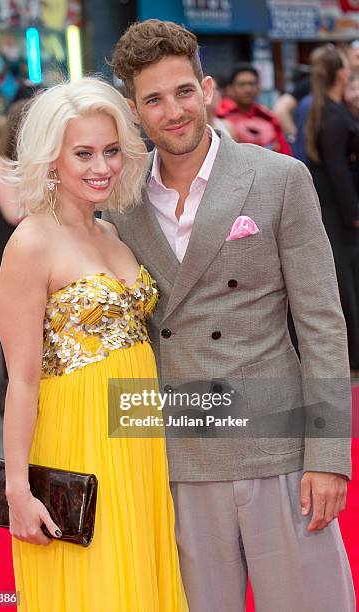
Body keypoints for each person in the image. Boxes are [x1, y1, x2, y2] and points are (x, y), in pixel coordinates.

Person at [106, 19, 355, 611]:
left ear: (208, 88)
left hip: (275, 437)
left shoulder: (279, 178)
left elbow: (322, 322)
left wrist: (329, 457)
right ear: (133, 110)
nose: (174, 111)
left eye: (183, 91)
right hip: (174, 443)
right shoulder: (120, 201)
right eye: (154, 99)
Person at [0, 77, 188, 611]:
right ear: (50, 158)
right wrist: (18, 490)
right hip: (76, 436)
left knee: (142, 575)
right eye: (83, 153)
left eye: (110, 151)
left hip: (138, 433)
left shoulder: (112, 233)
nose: (101, 166)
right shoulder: (31, 242)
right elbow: (22, 380)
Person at [305, 45, 359, 375]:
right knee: (346, 281)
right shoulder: (333, 115)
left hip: (336, 208)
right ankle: (352, 356)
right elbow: (338, 170)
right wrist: (353, 211)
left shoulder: (328, 110)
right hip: (338, 211)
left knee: (347, 278)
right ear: (341, 74)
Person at [216, 63, 292, 155]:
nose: (248, 89)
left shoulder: (269, 118)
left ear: (259, 87)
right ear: (230, 89)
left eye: (252, 84)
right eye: (242, 84)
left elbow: (285, 154)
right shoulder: (219, 118)